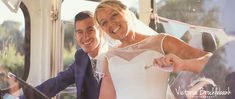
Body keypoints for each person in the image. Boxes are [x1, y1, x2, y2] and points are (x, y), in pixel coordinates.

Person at [93, 1, 212, 99]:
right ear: (102, 29)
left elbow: (212, 60)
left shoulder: (162, 41)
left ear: (127, 12)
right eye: (104, 23)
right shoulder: (109, 57)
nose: (111, 24)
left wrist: (183, 64)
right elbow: (106, 96)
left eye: (114, 15)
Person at [19, 11, 108, 99]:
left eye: (90, 30)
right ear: (75, 35)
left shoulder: (112, 57)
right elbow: (58, 82)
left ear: (100, 31)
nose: (85, 36)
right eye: (80, 32)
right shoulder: (81, 56)